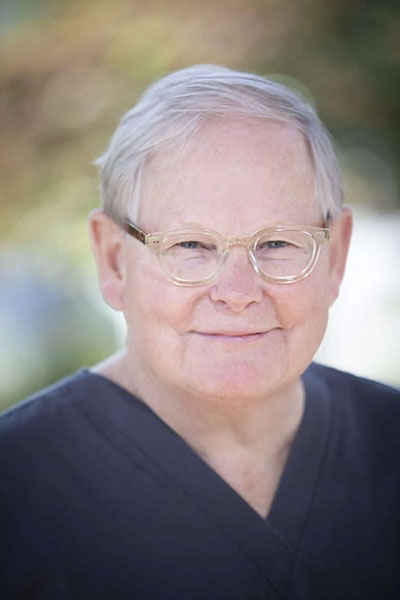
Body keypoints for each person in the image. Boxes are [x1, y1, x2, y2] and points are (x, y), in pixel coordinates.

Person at [0, 64, 399, 600]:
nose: (238, 291)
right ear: (115, 261)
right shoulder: (16, 489)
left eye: (278, 243)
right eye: (190, 246)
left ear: (336, 255)